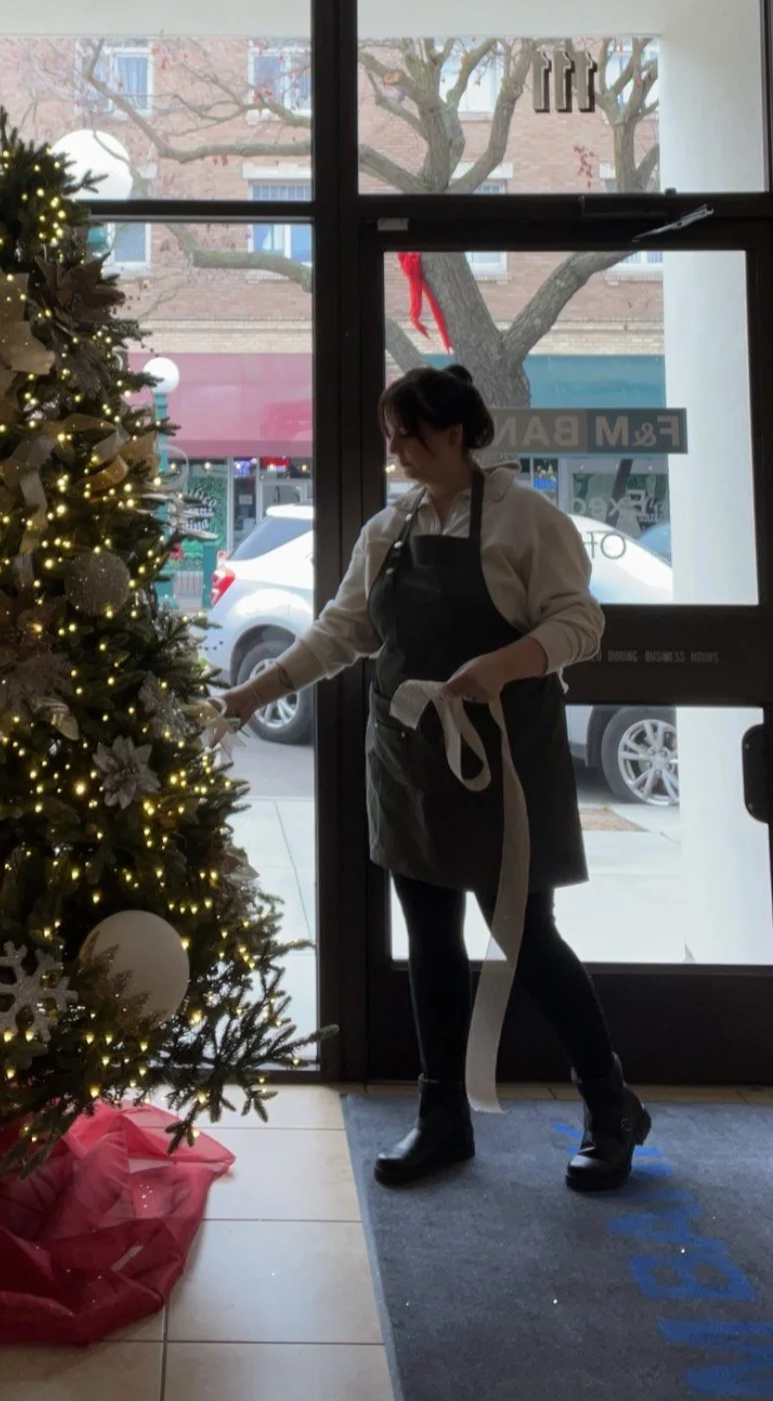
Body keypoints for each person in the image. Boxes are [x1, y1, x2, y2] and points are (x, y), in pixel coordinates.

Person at [220, 364, 650, 1193]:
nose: (395, 449)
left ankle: (610, 1101)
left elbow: (580, 622)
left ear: (456, 433)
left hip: (504, 762)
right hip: (409, 758)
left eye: (407, 433)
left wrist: (502, 662)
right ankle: (442, 1117)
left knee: (524, 939)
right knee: (430, 940)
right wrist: (249, 694)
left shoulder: (527, 521)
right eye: (391, 435)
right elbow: (342, 632)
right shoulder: (389, 527)